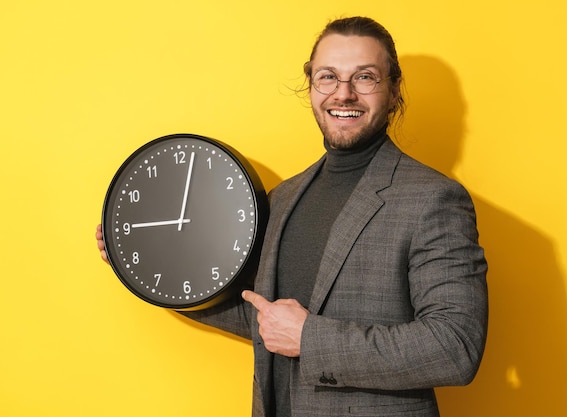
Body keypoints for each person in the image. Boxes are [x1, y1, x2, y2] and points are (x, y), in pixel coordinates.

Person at [96, 16, 488, 417]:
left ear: (393, 91)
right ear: (312, 85)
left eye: (365, 77)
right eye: (328, 77)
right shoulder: (284, 198)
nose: (344, 94)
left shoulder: (433, 198)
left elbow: (455, 346)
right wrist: (149, 269)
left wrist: (310, 338)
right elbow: (266, 320)